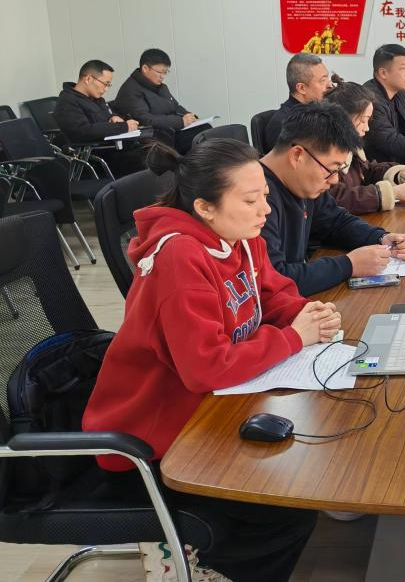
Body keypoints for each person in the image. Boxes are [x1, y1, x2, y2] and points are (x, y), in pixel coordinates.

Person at [83, 138, 336, 581]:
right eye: (251, 200)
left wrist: (305, 314)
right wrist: (293, 338)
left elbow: (272, 293)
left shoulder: (240, 238)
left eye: (265, 196)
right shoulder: (179, 257)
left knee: (301, 469)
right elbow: (206, 368)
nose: (266, 210)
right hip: (154, 439)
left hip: (207, 408)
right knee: (286, 511)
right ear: (205, 207)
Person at [260, 102, 405, 296]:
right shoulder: (256, 199)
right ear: (297, 155)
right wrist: (348, 265)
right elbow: (274, 280)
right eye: (331, 169)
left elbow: (335, 221)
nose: (334, 180)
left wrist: (381, 238)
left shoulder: (301, 183)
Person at [325, 81, 405, 213]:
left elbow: (367, 171)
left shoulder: (351, 149)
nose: (367, 128)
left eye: (368, 121)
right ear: (343, 119)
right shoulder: (324, 154)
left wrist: (400, 175)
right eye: (363, 120)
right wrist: (391, 193)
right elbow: (336, 198)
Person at [53, 59, 146, 177]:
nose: (106, 89)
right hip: (97, 156)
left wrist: (113, 117)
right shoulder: (67, 102)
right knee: (148, 159)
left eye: (108, 85)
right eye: (105, 84)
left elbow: (107, 116)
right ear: (88, 79)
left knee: (153, 148)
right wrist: (123, 127)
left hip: (114, 148)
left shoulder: (96, 98)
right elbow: (83, 131)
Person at [115, 47, 207, 153]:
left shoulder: (161, 87)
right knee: (200, 138)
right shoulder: (131, 90)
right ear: (145, 68)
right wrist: (180, 121)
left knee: (205, 129)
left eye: (166, 72)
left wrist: (188, 115)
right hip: (152, 139)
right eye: (160, 72)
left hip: (170, 130)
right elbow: (145, 120)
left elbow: (175, 107)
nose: (163, 76)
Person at [263, 53, 333, 150]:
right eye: (323, 80)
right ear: (301, 88)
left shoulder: (318, 114)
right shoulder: (284, 125)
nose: (330, 84)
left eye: (327, 78)